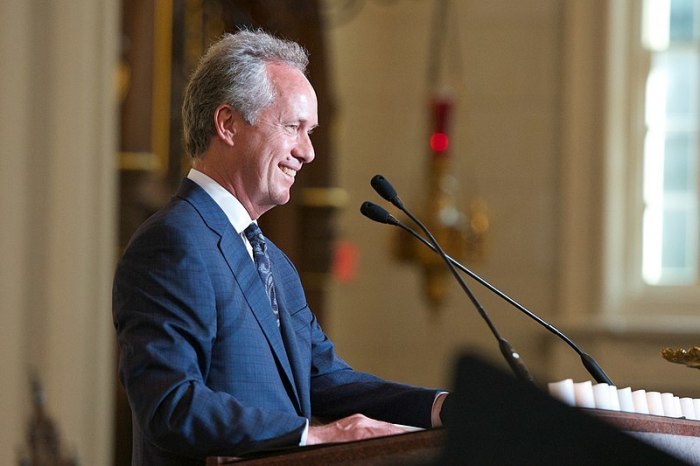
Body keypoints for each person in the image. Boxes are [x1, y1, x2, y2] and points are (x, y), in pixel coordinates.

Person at [112, 29, 447, 466]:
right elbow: (171, 406)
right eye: (294, 127)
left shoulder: (275, 264)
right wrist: (311, 435)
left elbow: (326, 381)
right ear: (227, 124)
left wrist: (444, 409)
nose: (307, 151)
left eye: (311, 132)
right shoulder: (172, 244)